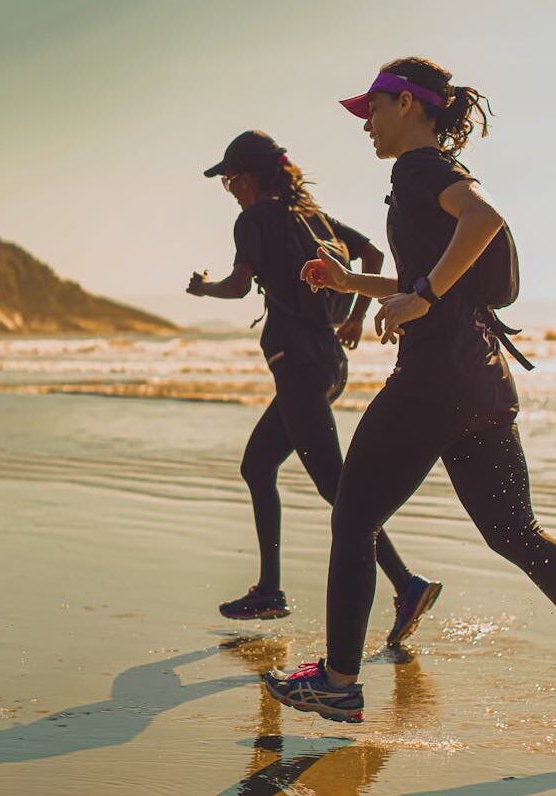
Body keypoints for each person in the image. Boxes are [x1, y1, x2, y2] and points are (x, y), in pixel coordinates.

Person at [264, 59, 556, 746]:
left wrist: (420, 298)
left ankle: (338, 683)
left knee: (353, 516)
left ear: (406, 104)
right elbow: (434, 276)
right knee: (515, 533)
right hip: (482, 381)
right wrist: (359, 282)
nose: (366, 123)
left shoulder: (418, 170)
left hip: (434, 380)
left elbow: (484, 220)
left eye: (372, 108)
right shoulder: (427, 178)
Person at [188, 130, 442, 644]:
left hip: (298, 364)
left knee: (338, 487)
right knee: (257, 465)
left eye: (231, 179)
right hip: (325, 364)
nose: (230, 189)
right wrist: (352, 316)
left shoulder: (254, 219)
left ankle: (406, 584)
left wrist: (204, 288)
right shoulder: (314, 216)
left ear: (251, 176)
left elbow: (239, 286)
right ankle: (270, 591)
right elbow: (370, 256)